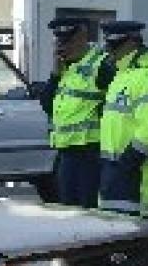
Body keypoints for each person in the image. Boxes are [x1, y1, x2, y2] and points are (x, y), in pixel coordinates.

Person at [97, 21, 148, 217]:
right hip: (115, 172)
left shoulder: (146, 77)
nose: (110, 51)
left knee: (129, 238)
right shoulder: (122, 75)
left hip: (135, 176)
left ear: (131, 43)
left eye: (114, 45)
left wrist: (127, 163)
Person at [38, 17, 109, 208]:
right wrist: (55, 74)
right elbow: (47, 105)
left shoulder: (102, 65)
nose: (63, 48)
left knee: (88, 209)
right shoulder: (67, 68)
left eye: (67, 42)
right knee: (68, 208)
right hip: (66, 153)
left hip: (91, 153)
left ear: (82, 37)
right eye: (60, 42)